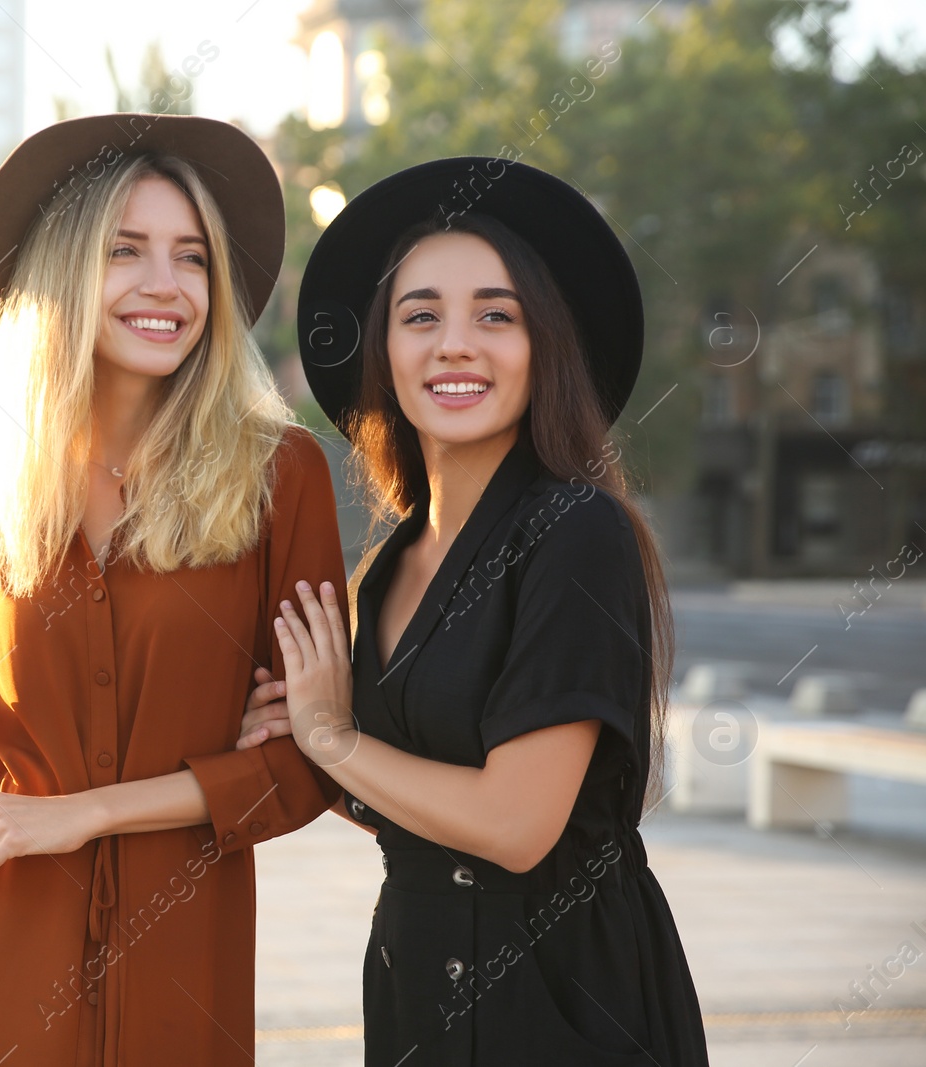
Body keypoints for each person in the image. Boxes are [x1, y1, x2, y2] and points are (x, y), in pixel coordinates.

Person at [0, 112, 349, 1066]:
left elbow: (304, 769)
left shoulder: (281, 477)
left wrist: (86, 810)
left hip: (184, 975)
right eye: (124, 251)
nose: (165, 286)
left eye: (192, 257)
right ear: (63, 273)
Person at [237, 157, 711, 1065]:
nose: (455, 343)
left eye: (497, 314)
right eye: (421, 316)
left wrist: (335, 739)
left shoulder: (578, 531)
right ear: (384, 352)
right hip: (420, 988)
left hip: (565, 1001)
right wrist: (311, 750)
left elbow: (514, 826)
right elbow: (415, 810)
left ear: (546, 347)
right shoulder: (389, 562)